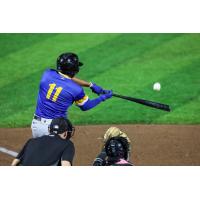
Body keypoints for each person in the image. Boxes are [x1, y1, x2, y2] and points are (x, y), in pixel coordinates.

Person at [31, 52, 112, 138]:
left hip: (36, 125)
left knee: (39, 150)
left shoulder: (47, 74)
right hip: (55, 128)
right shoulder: (76, 90)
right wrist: (103, 97)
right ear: (74, 69)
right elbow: (86, 106)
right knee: (61, 151)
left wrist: (90, 85)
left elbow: (66, 78)